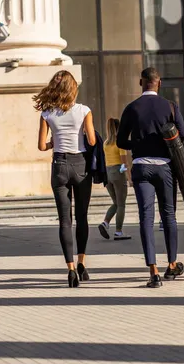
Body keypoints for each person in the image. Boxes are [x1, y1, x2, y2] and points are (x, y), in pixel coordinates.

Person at [117, 67, 184, 288]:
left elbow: (120, 141)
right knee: (168, 215)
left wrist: (137, 145)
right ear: (159, 83)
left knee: (145, 217)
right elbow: (183, 135)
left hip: (140, 168)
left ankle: (153, 272)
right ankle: (172, 264)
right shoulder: (170, 106)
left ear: (141, 82)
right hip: (164, 167)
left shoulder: (131, 108)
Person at [34, 70, 96, 288]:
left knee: (64, 220)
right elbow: (91, 139)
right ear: (73, 88)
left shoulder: (47, 114)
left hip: (59, 165)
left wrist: (54, 143)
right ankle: (82, 262)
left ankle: (70, 270)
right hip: (80, 166)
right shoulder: (84, 110)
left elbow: (42, 146)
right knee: (82, 216)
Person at [99, 118, 132, 241]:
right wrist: (129, 178)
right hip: (118, 173)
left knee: (116, 203)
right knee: (121, 204)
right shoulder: (120, 143)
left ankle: (105, 223)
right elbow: (124, 163)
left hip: (108, 174)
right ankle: (118, 232)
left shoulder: (106, 143)